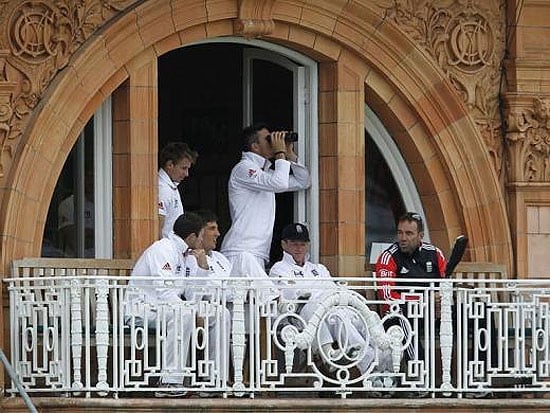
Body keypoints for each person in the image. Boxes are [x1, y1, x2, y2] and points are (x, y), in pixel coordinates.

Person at [269, 223, 379, 375]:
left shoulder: (319, 268)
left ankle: (381, 362)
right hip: (301, 317)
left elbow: (333, 290)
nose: (299, 248)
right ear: (284, 244)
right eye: (294, 244)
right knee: (313, 308)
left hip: (330, 311)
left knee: (359, 316)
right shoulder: (279, 268)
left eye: (302, 244)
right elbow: (293, 295)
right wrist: (318, 295)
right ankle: (361, 364)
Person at [220, 123, 311, 299]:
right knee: (259, 303)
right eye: (268, 139)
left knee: (254, 313)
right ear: (255, 146)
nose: (273, 142)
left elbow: (303, 181)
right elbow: (279, 184)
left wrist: (290, 155)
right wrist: (280, 154)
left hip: (257, 252)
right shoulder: (243, 168)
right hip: (240, 251)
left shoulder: (266, 173)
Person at [124, 212, 210, 397]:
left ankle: (211, 382)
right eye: (201, 236)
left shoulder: (187, 254)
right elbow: (165, 293)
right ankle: (170, 381)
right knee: (183, 314)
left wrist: (202, 267)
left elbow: (192, 295)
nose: (203, 240)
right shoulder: (163, 249)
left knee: (220, 315)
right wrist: (193, 311)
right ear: (192, 237)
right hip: (142, 311)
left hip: (165, 310)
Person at [375, 212, 447, 362]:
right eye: (400, 233)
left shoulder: (435, 253)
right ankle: (418, 372)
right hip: (401, 314)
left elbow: (447, 283)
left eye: (409, 233)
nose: (403, 238)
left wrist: (443, 299)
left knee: (480, 310)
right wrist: (423, 301)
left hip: (435, 313)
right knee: (405, 314)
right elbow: (388, 297)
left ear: (420, 236)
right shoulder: (388, 257)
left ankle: (484, 375)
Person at [158, 142, 198, 239]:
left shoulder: (171, 186)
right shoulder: (162, 189)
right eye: (183, 168)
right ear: (170, 165)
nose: (187, 174)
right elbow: (158, 228)